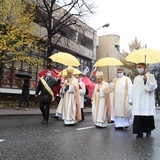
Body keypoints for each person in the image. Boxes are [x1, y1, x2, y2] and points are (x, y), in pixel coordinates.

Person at [131, 63, 157, 138]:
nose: (139, 68)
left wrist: (146, 81)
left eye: (140, 67)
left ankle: (148, 130)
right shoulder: (136, 78)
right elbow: (133, 89)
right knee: (138, 116)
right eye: (138, 67)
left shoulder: (150, 76)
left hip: (146, 100)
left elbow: (153, 86)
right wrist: (131, 99)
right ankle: (139, 132)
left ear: (144, 68)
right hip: (138, 101)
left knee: (146, 115)